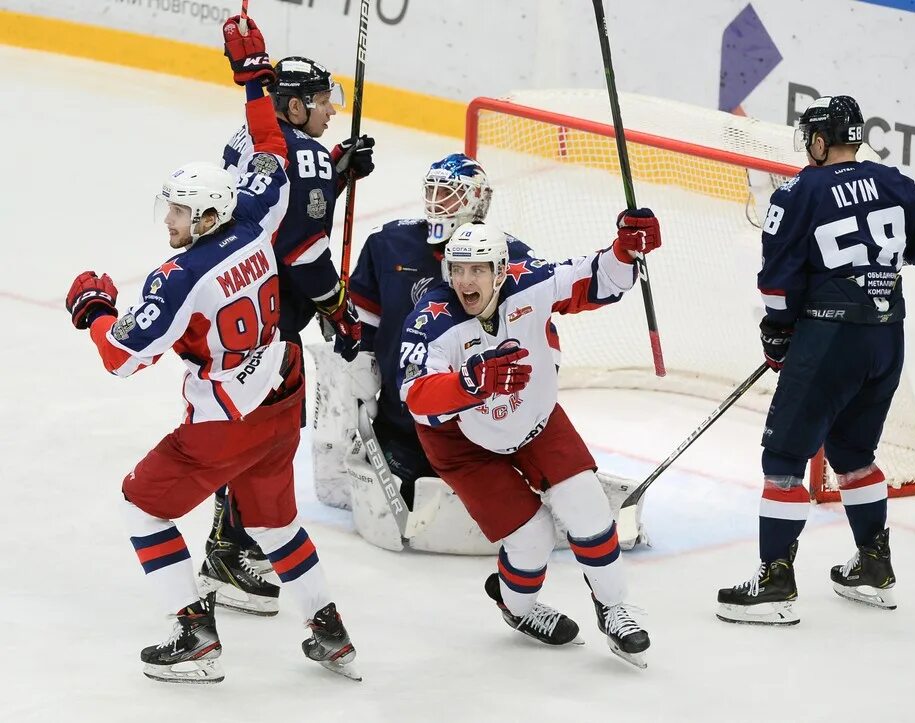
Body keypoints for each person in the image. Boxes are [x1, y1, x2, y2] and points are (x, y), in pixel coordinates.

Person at [63, 17, 360, 683]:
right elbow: (272, 149)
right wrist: (254, 76)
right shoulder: (257, 220)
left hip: (225, 420)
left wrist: (95, 310)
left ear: (204, 217)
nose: (168, 220)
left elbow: (121, 355)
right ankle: (329, 628)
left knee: (142, 504)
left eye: (177, 212)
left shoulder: (179, 280)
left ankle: (193, 633)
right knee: (277, 523)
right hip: (282, 395)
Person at [313, 154, 649, 555]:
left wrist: (539, 377)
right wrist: (358, 357)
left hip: (484, 420)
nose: (437, 203)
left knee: (525, 495)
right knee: (403, 495)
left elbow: (544, 313)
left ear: (477, 201)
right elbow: (362, 316)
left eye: (449, 194)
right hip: (405, 419)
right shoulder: (389, 244)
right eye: (432, 192)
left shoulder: (507, 254)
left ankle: (552, 518)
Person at [716, 95, 915, 625]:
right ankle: (875, 567)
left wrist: (778, 334)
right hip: (886, 339)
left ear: (820, 141)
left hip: (829, 341)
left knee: (784, 459)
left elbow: (777, 282)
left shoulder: (798, 190)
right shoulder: (895, 183)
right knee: (853, 452)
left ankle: (775, 583)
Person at [397, 215, 661, 668]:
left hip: (535, 420)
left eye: (477, 269)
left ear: (501, 271)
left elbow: (598, 280)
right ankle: (514, 607)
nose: (465, 280)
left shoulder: (529, 283)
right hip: (462, 444)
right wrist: (472, 384)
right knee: (533, 538)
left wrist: (625, 249)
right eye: (457, 269)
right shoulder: (431, 321)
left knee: (588, 506)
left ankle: (614, 606)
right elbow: (416, 398)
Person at [199, 33, 376, 614]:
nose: (332, 109)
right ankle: (228, 551)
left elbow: (273, 208)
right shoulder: (304, 158)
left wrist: (335, 174)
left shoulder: (245, 138)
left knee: (250, 430)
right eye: (323, 101)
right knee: (263, 436)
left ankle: (233, 542)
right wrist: (337, 307)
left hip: (237, 307)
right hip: (273, 319)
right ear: (295, 108)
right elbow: (302, 249)